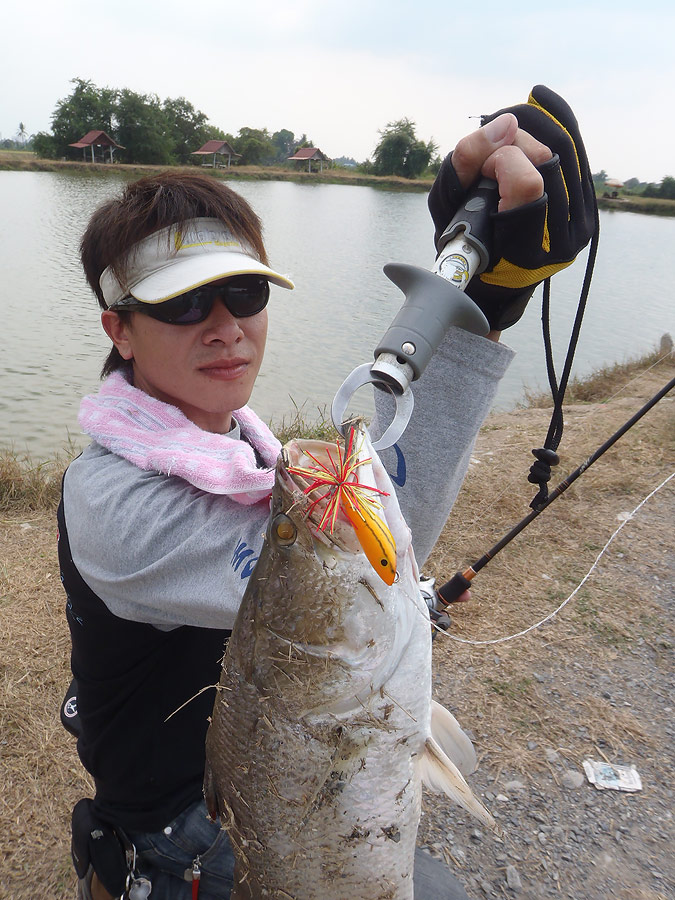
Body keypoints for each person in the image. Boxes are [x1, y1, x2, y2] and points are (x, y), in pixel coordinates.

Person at [59, 85, 595, 900]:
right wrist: (482, 309)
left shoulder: (235, 440)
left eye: (243, 292)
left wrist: (482, 290)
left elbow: (364, 537)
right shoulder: (115, 506)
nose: (223, 325)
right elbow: (359, 558)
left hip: (262, 765)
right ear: (118, 328)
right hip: (178, 824)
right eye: (180, 301)